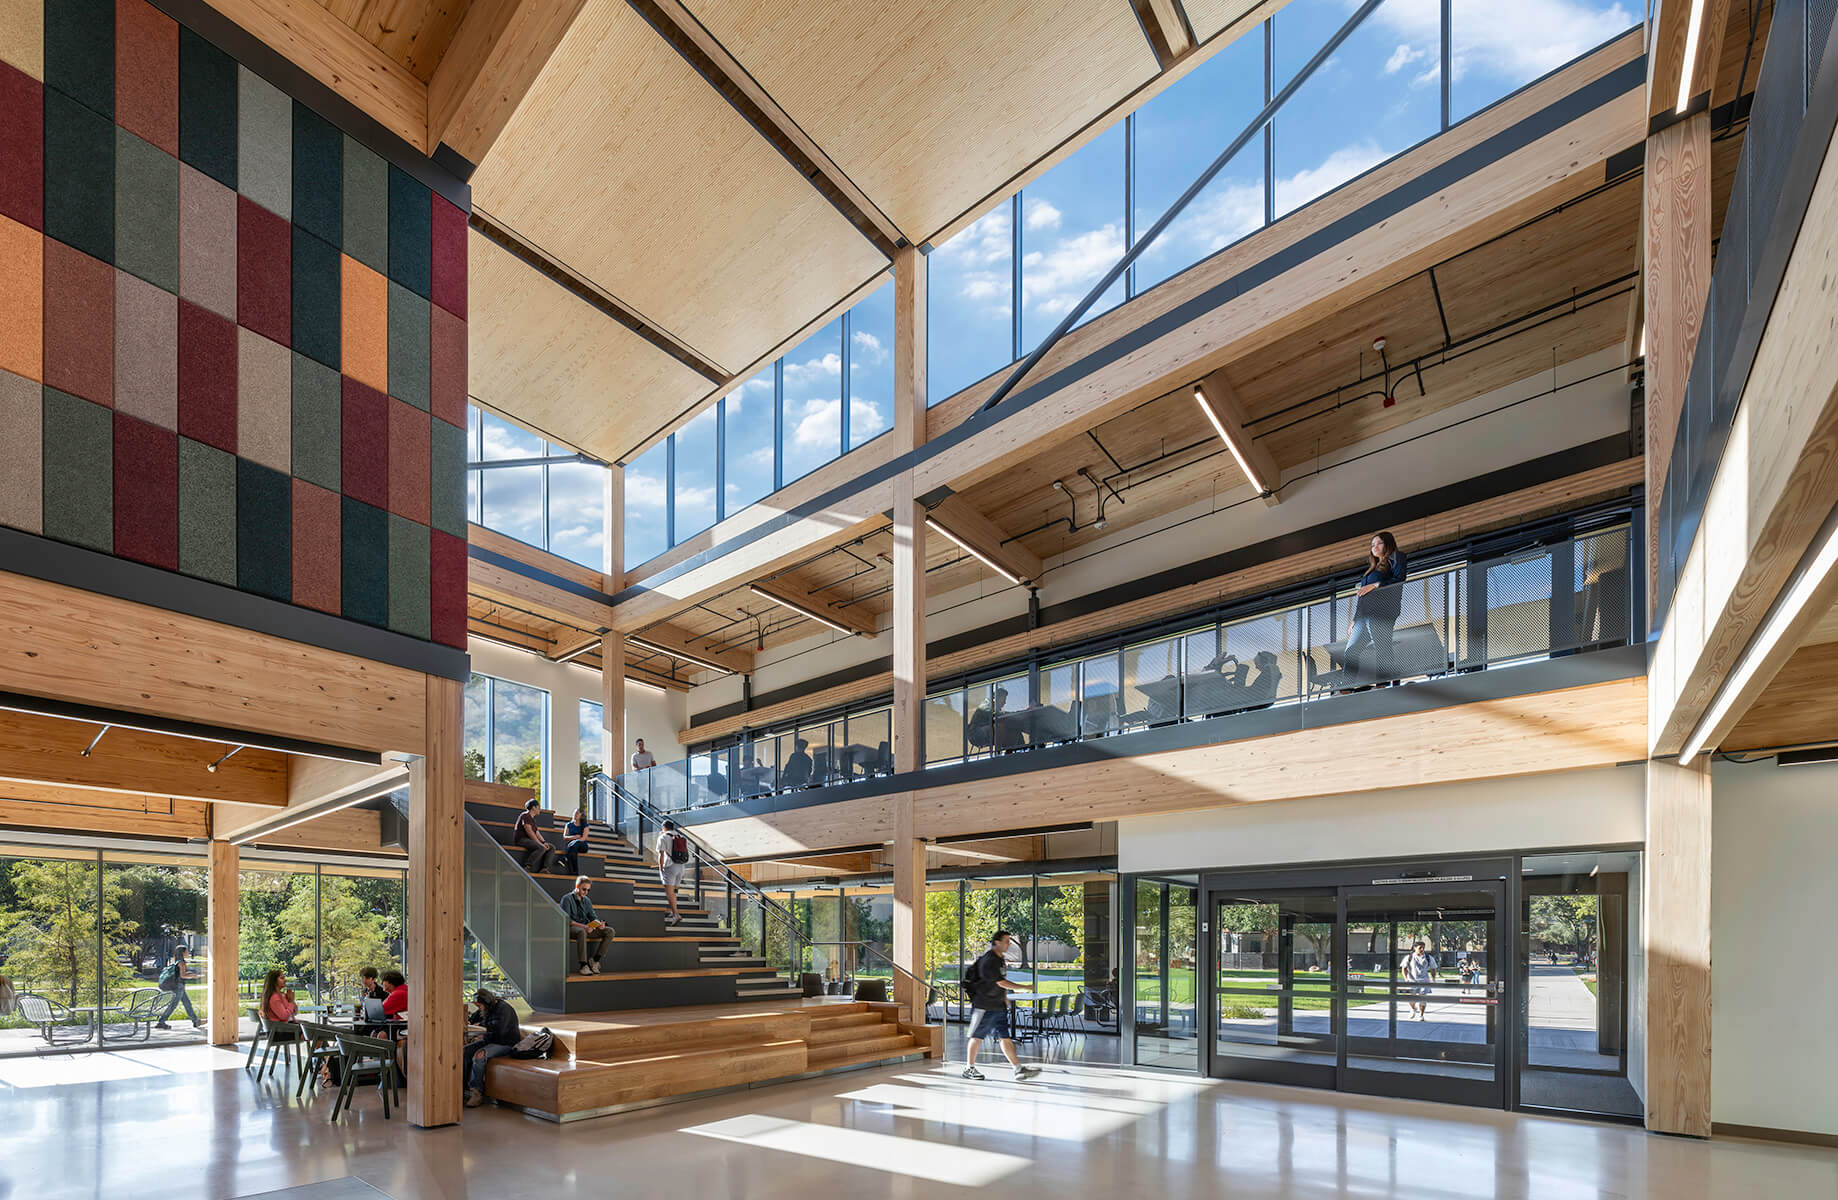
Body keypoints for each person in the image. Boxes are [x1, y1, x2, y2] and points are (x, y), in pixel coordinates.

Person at [962, 930, 1039, 1081]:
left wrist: (1004, 998)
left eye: (1009, 941)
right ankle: (968, 1068)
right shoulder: (989, 960)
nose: (1008, 944)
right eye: (1006, 941)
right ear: (996, 942)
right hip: (983, 1006)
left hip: (997, 1006)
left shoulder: (1000, 959)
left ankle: (1017, 1068)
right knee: (977, 1036)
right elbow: (1000, 982)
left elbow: (1000, 981)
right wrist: (1026, 987)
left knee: (1005, 1037)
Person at [1343, 531, 1407, 687]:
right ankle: (1345, 687)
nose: (1375, 547)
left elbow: (1399, 579)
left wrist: (1376, 585)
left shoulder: (1396, 557)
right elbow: (1362, 595)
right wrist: (1355, 618)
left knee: (1381, 645)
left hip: (1381, 611)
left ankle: (1382, 683)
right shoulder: (1371, 569)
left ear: (1388, 544)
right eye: (1372, 545)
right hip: (1363, 614)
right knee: (1351, 650)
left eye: (1379, 543)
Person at [463, 988, 522, 1108]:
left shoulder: (504, 1009)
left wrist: (481, 1026)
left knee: (479, 1056)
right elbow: (474, 1018)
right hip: (490, 1040)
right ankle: (462, 1088)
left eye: (479, 1006)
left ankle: (477, 1092)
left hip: (505, 1043)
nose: (478, 1008)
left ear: (486, 1002)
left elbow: (500, 1030)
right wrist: (469, 1022)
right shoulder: (486, 1008)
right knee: (465, 1051)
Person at [561, 875, 613, 975]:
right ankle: (583, 965)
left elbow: (593, 916)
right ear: (577, 886)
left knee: (609, 931)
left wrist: (599, 924)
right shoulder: (566, 899)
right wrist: (585, 927)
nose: (586, 892)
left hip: (586, 928)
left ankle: (595, 960)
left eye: (588, 890)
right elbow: (567, 920)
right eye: (584, 889)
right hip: (571, 929)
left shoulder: (587, 900)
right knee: (582, 931)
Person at [153, 945, 203, 1030]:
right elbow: (183, 976)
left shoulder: (176, 961)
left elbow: (179, 974)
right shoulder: (182, 963)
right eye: (187, 951)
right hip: (178, 986)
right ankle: (161, 1022)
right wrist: (193, 976)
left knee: (187, 1004)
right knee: (173, 1005)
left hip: (178, 986)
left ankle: (195, 1021)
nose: (188, 953)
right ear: (183, 952)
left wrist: (190, 973)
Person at [656, 819, 691, 926]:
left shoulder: (663, 837)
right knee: (674, 891)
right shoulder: (679, 836)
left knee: (669, 892)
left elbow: (661, 854)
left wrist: (660, 868)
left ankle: (676, 915)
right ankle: (673, 910)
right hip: (681, 867)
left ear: (664, 827)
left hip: (669, 866)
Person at [512, 797, 554, 874]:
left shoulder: (532, 819)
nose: (539, 809)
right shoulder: (525, 815)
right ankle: (527, 867)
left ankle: (544, 869)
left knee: (551, 847)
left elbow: (537, 832)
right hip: (522, 840)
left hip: (530, 840)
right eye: (538, 807)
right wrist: (540, 844)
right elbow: (530, 832)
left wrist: (544, 842)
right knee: (541, 848)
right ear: (534, 807)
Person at [1402, 941, 1437, 1021]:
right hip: (1412, 980)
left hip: (1424, 980)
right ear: (1415, 948)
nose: (1422, 949)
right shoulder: (1409, 957)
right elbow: (1404, 968)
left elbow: (1433, 968)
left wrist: (1433, 978)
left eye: (1423, 948)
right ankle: (1413, 1008)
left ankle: (1421, 1015)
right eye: (1420, 948)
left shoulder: (1428, 957)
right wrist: (1405, 978)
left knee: (1423, 999)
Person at [559, 808, 592, 875]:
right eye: (574, 813)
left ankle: (564, 857)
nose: (575, 815)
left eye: (577, 813)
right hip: (572, 846)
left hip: (582, 846)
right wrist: (575, 837)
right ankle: (574, 872)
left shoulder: (585, 825)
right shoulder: (569, 824)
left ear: (581, 815)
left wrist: (574, 841)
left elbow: (583, 838)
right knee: (573, 852)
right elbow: (564, 837)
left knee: (575, 845)